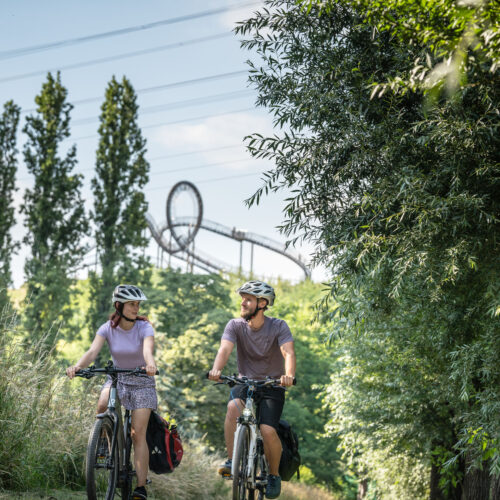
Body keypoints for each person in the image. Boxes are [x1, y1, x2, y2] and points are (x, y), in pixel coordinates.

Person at [66, 284, 157, 500]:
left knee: (137, 433)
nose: (136, 308)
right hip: (118, 377)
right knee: (102, 405)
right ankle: (106, 446)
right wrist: (77, 366)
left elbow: (147, 350)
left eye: (137, 304)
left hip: (142, 380)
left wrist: (150, 365)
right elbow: (92, 351)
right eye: (131, 304)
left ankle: (140, 487)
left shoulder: (144, 327)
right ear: (119, 306)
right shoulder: (107, 328)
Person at [208, 280, 296, 499]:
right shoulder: (235, 325)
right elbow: (225, 349)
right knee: (232, 408)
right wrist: (216, 370)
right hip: (245, 382)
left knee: (267, 430)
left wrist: (289, 375)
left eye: (248, 299)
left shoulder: (278, 326)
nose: (243, 303)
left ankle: (273, 475)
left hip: (272, 385)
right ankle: (232, 460)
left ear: (262, 303)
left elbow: (288, 353)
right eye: (243, 298)